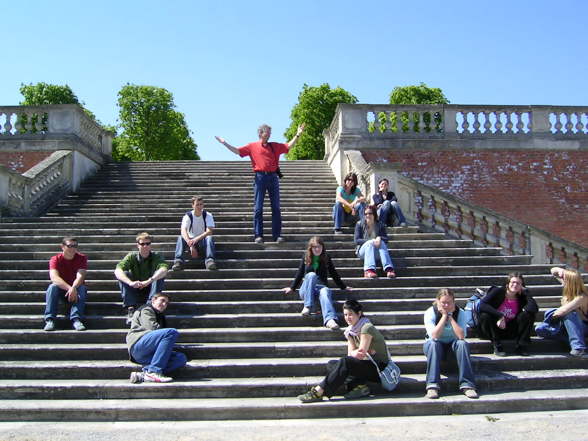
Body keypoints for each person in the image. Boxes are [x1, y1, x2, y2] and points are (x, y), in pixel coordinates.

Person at [215, 123, 305, 244]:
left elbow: (288, 145)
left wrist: (298, 134)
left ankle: (277, 235)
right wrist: (224, 143)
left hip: (273, 177)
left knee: (276, 208)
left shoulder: (274, 146)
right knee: (258, 208)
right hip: (260, 178)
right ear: (261, 133)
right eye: (267, 132)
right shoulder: (252, 146)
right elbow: (237, 151)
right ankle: (258, 235)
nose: (269, 134)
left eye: (270, 132)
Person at [297, 299, 392, 402]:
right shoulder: (350, 331)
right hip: (366, 365)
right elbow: (351, 355)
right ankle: (359, 386)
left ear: (359, 313)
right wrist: (359, 352)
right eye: (345, 315)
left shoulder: (366, 328)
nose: (347, 318)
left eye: (350, 314)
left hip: (380, 369)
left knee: (344, 363)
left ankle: (319, 391)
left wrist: (358, 352)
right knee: (332, 364)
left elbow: (359, 355)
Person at [283, 236, 349, 330]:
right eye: (315, 247)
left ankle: (330, 320)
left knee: (325, 290)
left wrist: (343, 287)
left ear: (322, 247)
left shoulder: (326, 258)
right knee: (311, 275)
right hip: (306, 291)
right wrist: (292, 288)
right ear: (311, 248)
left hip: (320, 290)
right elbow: (300, 273)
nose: (317, 249)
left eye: (319, 247)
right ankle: (307, 306)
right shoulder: (306, 257)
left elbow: (334, 273)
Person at [423, 288, 478, 399]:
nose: (446, 305)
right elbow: (434, 336)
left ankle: (467, 385)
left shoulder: (460, 313)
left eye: (449, 302)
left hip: (452, 348)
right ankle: (432, 386)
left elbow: (461, 336)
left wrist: (451, 317)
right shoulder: (430, 312)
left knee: (462, 344)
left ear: (454, 302)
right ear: (437, 301)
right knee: (434, 343)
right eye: (443, 302)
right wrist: (443, 316)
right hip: (434, 348)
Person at [127, 292, 187, 383]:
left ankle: (144, 374)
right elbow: (151, 328)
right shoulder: (146, 309)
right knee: (171, 332)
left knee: (180, 358)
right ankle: (154, 371)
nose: (164, 304)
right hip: (138, 346)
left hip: (150, 352)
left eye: (166, 303)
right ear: (153, 300)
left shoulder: (160, 316)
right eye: (162, 300)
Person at [115, 232, 169, 325]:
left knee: (159, 274)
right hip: (135, 288)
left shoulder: (156, 256)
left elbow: (164, 269)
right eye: (142, 244)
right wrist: (130, 283)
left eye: (147, 244)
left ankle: (150, 308)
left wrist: (149, 281)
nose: (145, 246)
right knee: (124, 273)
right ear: (137, 245)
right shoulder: (131, 256)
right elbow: (117, 270)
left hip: (150, 288)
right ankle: (131, 308)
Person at [478, 272, 537, 357]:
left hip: (510, 329)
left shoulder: (522, 297)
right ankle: (497, 346)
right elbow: (482, 305)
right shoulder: (497, 291)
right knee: (485, 316)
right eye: (513, 282)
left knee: (528, 315)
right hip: (493, 328)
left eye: (518, 283)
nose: (515, 285)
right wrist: (500, 316)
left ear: (522, 286)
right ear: (507, 283)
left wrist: (527, 293)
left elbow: (534, 308)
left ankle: (521, 346)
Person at [535, 267, 588, 357]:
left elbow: (563, 311)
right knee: (540, 329)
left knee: (568, 313)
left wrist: (550, 314)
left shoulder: (582, 297)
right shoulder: (568, 290)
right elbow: (553, 271)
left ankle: (579, 348)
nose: (562, 279)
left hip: (582, 327)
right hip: (566, 326)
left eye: (564, 278)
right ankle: (569, 340)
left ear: (570, 282)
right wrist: (562, 271)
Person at [43, 237, 87, 331]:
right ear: (62, 247)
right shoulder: (55, 259)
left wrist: (74, 287)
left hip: (76, 290)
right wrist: (69, 288)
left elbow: (80, 276)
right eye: (69, 246)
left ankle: (76, 319)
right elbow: (54, 278)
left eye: (75, 246)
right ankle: (50, 319)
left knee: (82, 288)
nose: (72, 248)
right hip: (61, 290)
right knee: (52, 287)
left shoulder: (81, 258)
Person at [172, 196, 217, 271]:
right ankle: (178, 261)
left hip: (202, 240)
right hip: (190, 240)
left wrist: (196, 239)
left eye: (201, 204)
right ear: (192, 205)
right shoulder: (188, 216)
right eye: (197, 204)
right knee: (180, 238)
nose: (199, 206)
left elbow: (209, 231)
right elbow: (183, 230)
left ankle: (209, 261)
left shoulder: (208, 215)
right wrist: (190, 244)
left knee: (209, 237)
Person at [354, 205, 396, 279]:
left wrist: (379, 237)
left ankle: (389, 269)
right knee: (370, 243)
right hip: (362, 252)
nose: (367, 215)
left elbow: (386, 238)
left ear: (374, 214)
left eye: (370, 213)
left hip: (376, 253)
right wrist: (372, 240)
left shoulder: (380, 224)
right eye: (365, 214)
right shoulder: (359, 224)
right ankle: (369, 270)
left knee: (382, 242)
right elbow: (357, 240)